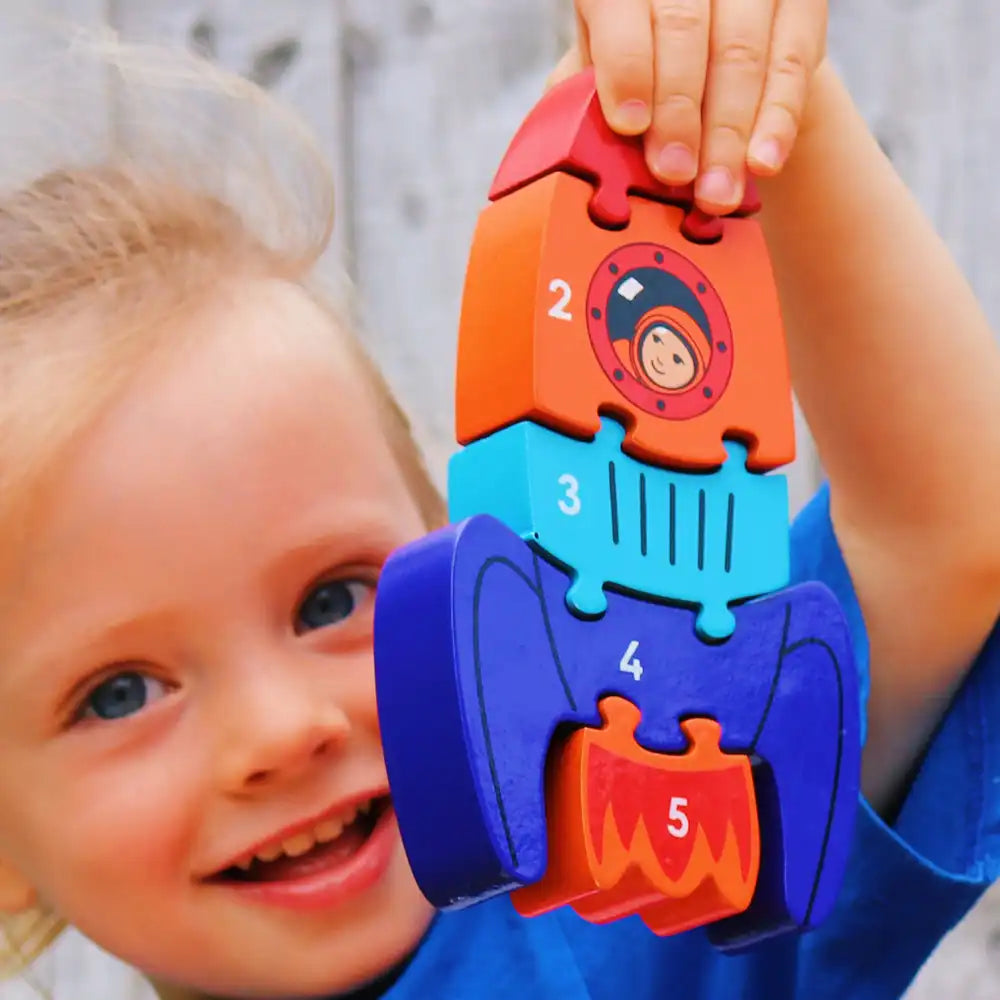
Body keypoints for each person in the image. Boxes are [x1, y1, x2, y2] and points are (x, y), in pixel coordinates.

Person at [0, 4, 996, 998]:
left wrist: (754, 116)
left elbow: (941, 534)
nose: (281, 730)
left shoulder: (642, 878)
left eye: (333, 600)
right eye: (117, 694)